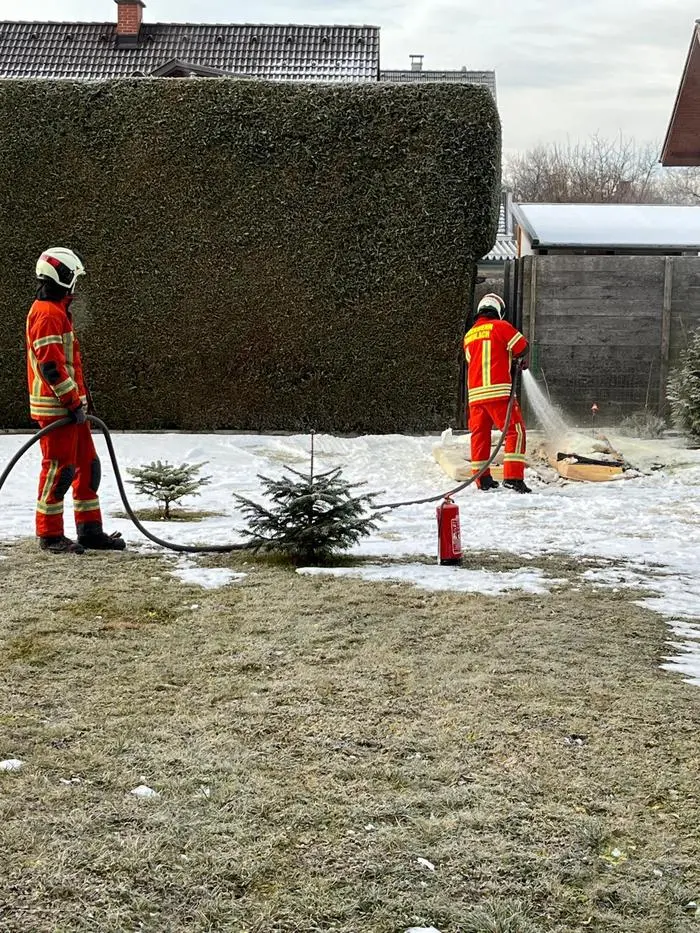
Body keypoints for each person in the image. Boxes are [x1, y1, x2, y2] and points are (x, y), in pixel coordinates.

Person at [26, 247, 125, 553]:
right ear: (63, 277)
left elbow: (67, 364)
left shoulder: (58, 311)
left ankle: (90, 530)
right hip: (57, 409)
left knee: (88, 466)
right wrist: (72, 401)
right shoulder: (45, 315)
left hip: (72, 409)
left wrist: (81, 402)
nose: (76, 286)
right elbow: (51, 367)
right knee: (60, 470)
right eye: (73, 278)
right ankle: (50, 534)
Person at [464, 293, 531, 494]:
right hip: (498, 392)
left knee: (480, 435)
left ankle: (482, 479)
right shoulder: (501, 327)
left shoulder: (469, 335)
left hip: (475, 395)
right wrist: (516, 358)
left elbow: (474, 360)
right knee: (515, 431)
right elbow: (522, 346)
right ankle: (513, 478)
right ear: (498, 311)